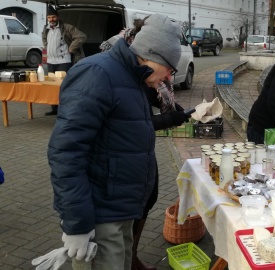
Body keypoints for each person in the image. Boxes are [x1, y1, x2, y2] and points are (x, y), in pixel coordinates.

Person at [47, 14, 188, 269]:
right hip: (100, 215)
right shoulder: (97, 74)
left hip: (122, 209)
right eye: (169, 69)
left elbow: (128, 132)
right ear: (152, 55)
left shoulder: (133, 79)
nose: (168, 77)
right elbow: (66, 153)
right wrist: (77, 225)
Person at [100, 18, 189, 270]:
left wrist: (174, 112)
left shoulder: (147, 67)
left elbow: (147, 105)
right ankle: (129, 260)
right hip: (118, 161)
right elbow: (128, 121)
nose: (169, 76)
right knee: (133, 208)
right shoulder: (115, 69)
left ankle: (132, 256)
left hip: (139, 152)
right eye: (169, 69)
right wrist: (168, 119)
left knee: (148, 196)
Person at [42, 6, 86, 116]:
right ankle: (54, 108)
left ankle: (66, 108)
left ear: (57, 17)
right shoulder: (46, 28)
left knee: (64, 86)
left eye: (53, 17)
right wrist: (47, 47)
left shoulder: (66, 27)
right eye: (49, 17)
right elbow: (44, 39)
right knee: (52, 86)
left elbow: (81, 36)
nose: (51, 19)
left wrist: (71, 49)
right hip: (51, 61)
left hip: (63, 61)